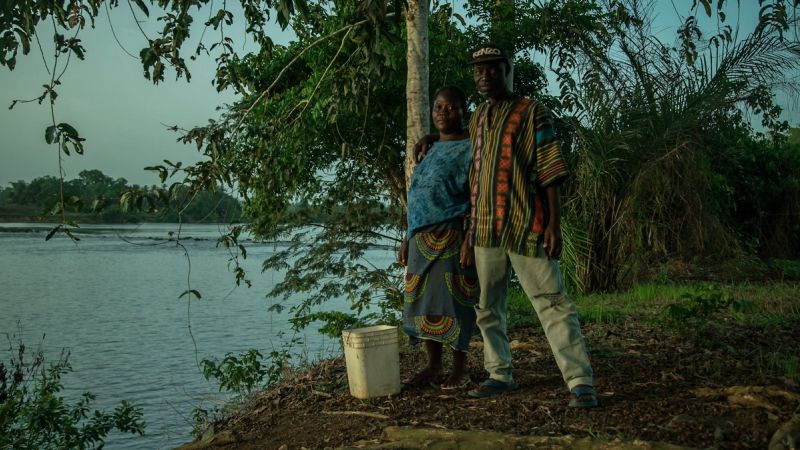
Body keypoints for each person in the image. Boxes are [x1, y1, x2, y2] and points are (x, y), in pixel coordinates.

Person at [416, 44, 597, 407]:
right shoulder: (480, 116)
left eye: (492, 69)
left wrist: (553, 225)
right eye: (478, 70)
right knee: (487, 306)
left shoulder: (531, 112)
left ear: (507, 70)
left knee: (551, 301)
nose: (484, 75)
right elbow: (466, 146)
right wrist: (432, 137)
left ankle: (580, 382)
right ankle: (500, 373)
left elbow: (549, 170)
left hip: (525, 223)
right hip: (484, 229)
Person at [398, 86, 479, 390]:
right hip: (421, 238)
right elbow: (416, 196)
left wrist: (470, 238)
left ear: (463, 111)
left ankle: (460, 369)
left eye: (451, 107)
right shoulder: (428, 149)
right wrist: (407, 237)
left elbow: (476, 197)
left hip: (451, 234)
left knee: (453, 302)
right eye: (438, 108)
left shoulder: (472, 148)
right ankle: (433, 365)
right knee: (422, 304)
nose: (443, 113)